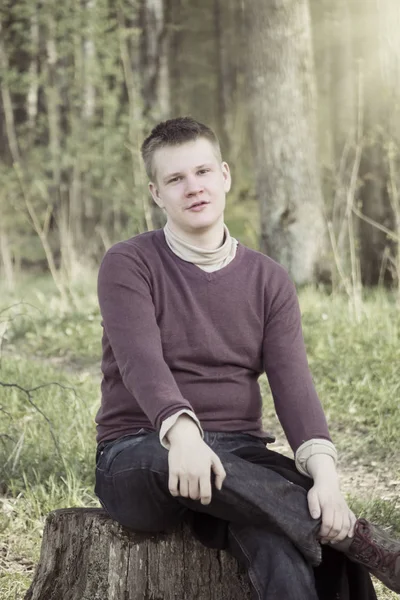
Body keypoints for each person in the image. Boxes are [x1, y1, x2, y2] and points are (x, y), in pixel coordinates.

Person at [95, 117, 400, 599]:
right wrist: (184, 436)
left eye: (202, 172)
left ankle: (346, 539)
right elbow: (141, 363)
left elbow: (293, 384)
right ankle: (361, 540)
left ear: (225, 175)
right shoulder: (129, 263)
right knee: (322, 523)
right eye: (176, 179)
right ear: (157, 193)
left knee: (293, 541)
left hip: (239, 458)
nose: (193, 188)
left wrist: (326, 477)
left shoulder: (268, 279)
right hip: (141, 451)